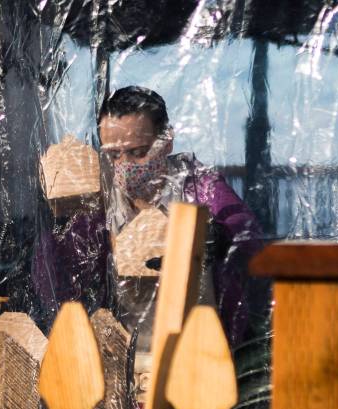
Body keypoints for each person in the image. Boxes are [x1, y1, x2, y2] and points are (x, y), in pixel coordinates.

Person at [34, 86, 264, 348]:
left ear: (167, 141)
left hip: (199, 349)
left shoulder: (197, 187)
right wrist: (57, 231)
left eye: (138, 152)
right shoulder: (100, 201)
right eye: (113, 154)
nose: (125, 166)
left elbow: (244, 229)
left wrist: (219, 236)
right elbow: (55, 277)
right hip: (128, 352)